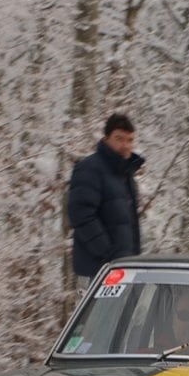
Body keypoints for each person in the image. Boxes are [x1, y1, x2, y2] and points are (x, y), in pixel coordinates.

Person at [67, 113, 145, 291]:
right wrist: (107, 254)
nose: (125, 145)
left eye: (129, 140)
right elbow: (80, 214)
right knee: (95, 320)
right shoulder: (90, 168)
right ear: (106, 138)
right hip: (98, 270)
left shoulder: (125, 174)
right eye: (119, 138)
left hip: (124, 269)